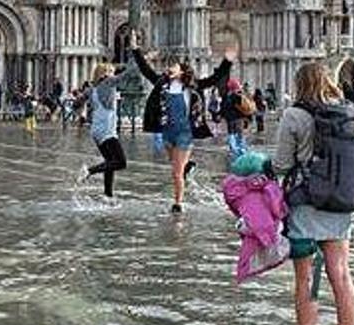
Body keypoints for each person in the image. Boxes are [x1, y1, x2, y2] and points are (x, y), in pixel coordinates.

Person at [272, 62, 354, 325]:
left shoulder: (293, 115)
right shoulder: (348, 112)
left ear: (299, 84)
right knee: (341, 274)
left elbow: (282, 164)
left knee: (306, 279)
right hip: (340, 204)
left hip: (305, 205)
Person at [133, 40, 236, 213]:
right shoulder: (162, 84)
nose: (169, 68)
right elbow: (146, 70)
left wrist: (228, 60)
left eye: (173, 66)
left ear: (182, 70)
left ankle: (178, 203)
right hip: (167, 133)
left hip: (184, 133)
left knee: (176, 173)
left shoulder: (193, 86)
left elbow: (215, 78)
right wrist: (136, 50)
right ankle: (187, 167)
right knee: (175, 166)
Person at [77, 62, 129, 197]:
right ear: (104, 73)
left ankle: (108, 195)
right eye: (111, 71)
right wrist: (140, 58)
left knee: (110, 162)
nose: (113, 74)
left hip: (97, 130)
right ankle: (89, 171)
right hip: (106, 130)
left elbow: (76, 103)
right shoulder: (108, 82)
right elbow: (127, 75)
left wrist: (82, 112)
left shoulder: (92, 88)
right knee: (121, 162)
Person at [221, 78, 249, 159]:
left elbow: (224, 107)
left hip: (230, 119)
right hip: (239, 119)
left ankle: (234, 151)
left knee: (232, 134)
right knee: (239, 135)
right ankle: (241, 150)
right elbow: (244, 108)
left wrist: (223, 115)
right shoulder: (240, 96)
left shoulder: (227, 96)